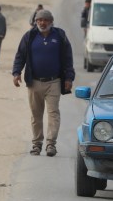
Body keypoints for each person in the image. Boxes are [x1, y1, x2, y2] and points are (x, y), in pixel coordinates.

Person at [12, 9, 75, 157]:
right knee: (36, 115)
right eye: (39, 20)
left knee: (53, 113)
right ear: (36, 21)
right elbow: (20, 55)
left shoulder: (59, 35)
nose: (42, 22)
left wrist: (69, 78)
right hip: (34, 82)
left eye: (45, 20)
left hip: (54, 82)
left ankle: (51, 144)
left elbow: (67, 58)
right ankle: (37, 144)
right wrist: (16, 73)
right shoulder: (29, 36)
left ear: (51, 22)